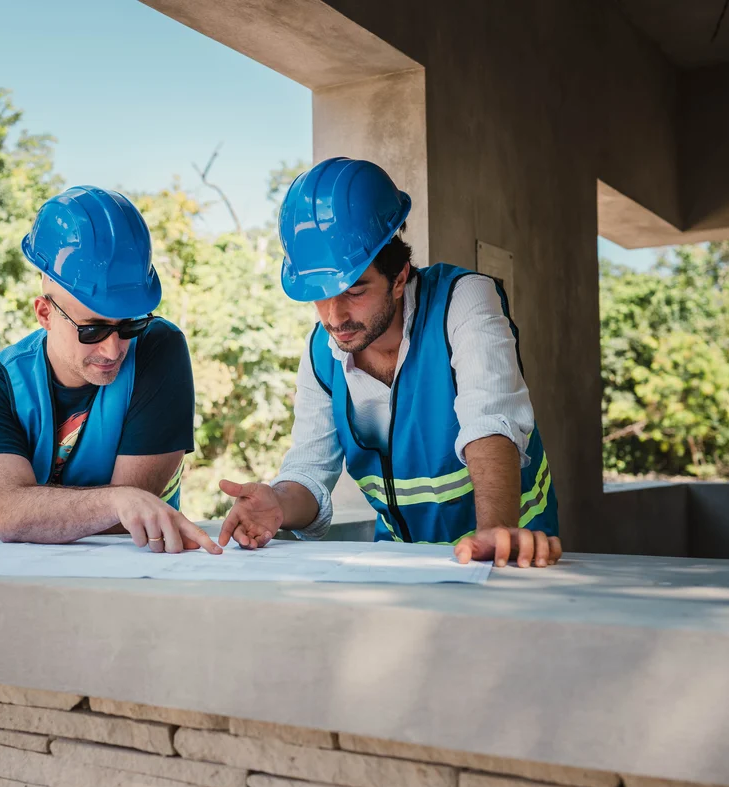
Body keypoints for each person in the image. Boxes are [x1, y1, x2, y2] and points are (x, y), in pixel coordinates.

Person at [218, 157, 560, 568]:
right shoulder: (320, 353)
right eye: (320, 295)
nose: (334, 316)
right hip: (405, 562)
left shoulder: (464, 300)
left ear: (399, 277)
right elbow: (309, 470)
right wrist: (277, 502)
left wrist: (495, 531)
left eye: (355, 291)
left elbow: (490, 422)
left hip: (507, 552)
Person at [0, 186, 221, 555]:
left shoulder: (159, 348)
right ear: (44, 313)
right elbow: (11, 515)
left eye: (129, 325)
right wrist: (117, 501)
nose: (113, 349)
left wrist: (23, 512)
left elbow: (125, 520)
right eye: (92, 329)